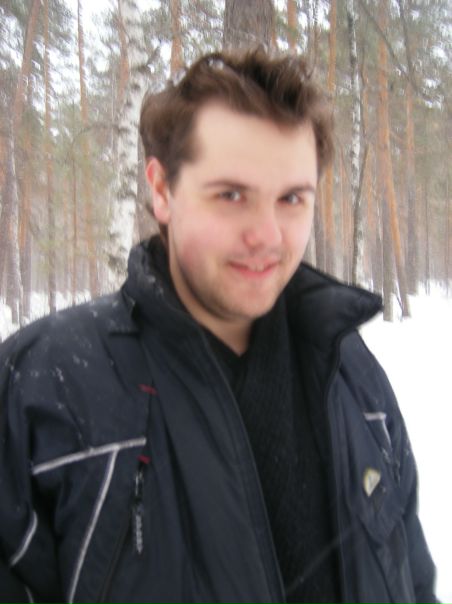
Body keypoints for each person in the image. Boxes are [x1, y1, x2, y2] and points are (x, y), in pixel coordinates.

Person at [0, 48, 438, 604]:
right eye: (231, 195)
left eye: (291, 198)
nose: (268, 235)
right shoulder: (45, 388)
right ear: (162, 190)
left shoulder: (352, 377)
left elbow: (412, 582)